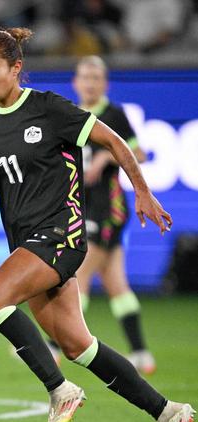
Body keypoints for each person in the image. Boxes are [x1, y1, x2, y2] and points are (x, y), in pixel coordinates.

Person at [0, 27, 194, 422]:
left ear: (16, 68)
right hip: (28, 241)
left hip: (62, 234)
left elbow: (113, 141)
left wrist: (143, 192)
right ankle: (170, 412)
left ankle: (59, 391)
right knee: (79, 345)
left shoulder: (47, 108)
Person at [45, 55, 156, 374]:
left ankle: (56, 345)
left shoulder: (114, 115)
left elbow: (139, 154)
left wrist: (107, 158)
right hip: (82, 204)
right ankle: (141, 353)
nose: (90, 83)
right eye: (85, 77)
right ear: (75, 82)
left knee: (78, 276)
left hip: (109, 206)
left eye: (96, 78)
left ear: (104, 83)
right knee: (116, 283)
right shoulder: (73, 115)